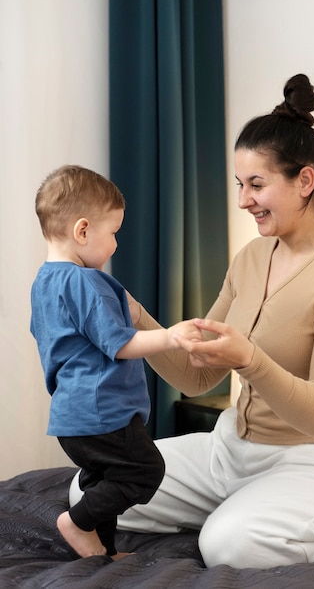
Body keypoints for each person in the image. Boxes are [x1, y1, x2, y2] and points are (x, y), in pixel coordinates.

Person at [70, 75, 314, 569]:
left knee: (224, 545)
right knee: (88, 488)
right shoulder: (250, 257)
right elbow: (197, 377)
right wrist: (131, 313)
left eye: (257, 185)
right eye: (240, 184)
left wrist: (251, 360)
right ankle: (250, 510)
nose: (243, 200)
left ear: (305, 181)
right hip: (232, 450)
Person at [30, 165, 202, 560]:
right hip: (102, 412)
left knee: (102, 481)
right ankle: (76, 523)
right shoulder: (86, 282)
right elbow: (119, 344)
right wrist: (171, 336)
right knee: (144, 470)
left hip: (71, 418)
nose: (116, 246)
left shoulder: (44, 283)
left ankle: (101, 551)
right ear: (83, 231)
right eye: (113, 234)